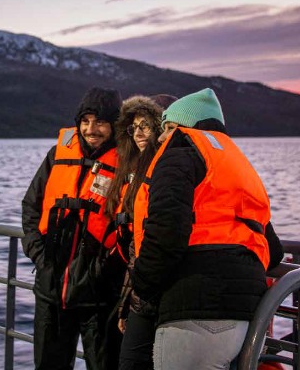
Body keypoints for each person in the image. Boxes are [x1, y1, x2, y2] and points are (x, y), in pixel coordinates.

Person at [131, 88, 284, 370]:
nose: (162, 137)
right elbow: (273, 252)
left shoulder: (179, 154)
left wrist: (142, 286)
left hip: (195, 308)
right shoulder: (236, 164)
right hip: (248, 315)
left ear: (184, 127)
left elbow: (165, 233)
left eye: (169, 127)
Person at [21, 86, 125, 370]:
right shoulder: (58, 155)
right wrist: (38, 255)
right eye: (86, 120)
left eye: (101, 121)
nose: (91, 129)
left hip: (100, 295)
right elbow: (31, 205)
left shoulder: (128, 162)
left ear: (115, 125)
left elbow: (132, 226)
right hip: (51, 288)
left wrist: (104, 269)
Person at [103, 94, 174, 370]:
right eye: (133, 127)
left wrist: (131, 304)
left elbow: (152, 243)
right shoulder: (133, 172)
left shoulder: (168, 172)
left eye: (146, 125)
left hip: (155, 294)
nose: (139, 133)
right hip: (137, 289)